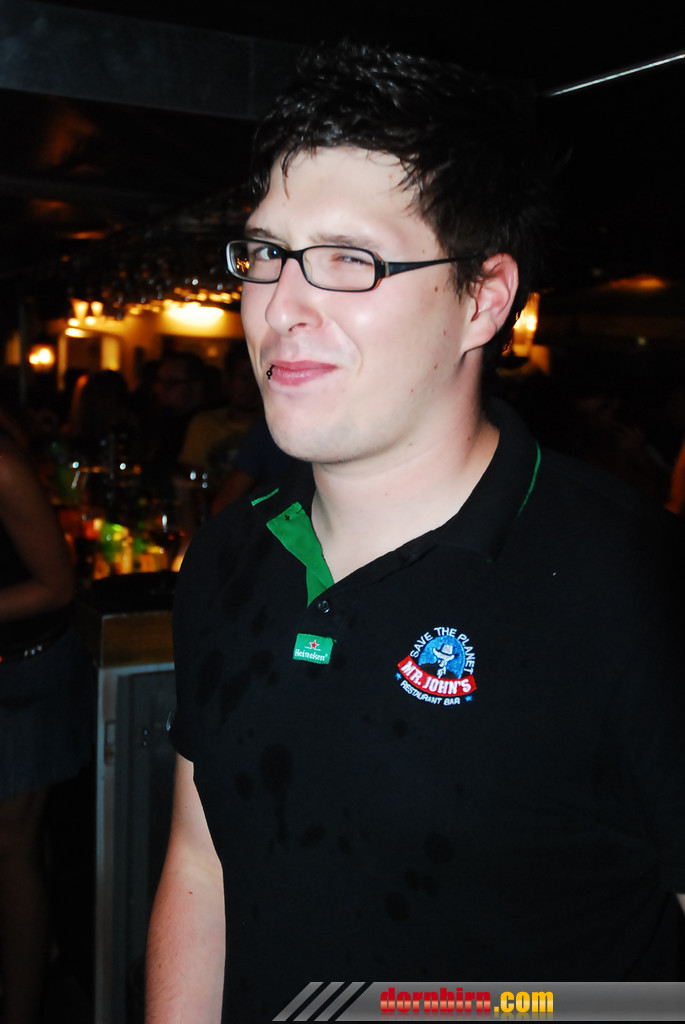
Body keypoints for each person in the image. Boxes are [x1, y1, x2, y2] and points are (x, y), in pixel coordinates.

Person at [146, 42, 685, 1022]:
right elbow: (201, 860)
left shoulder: (632, 581)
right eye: (266, 253)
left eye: (349, 260)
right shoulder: (227, 553)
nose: (282, 307)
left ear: (483, 298)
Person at [0, 414, 93, 1024]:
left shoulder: (2, 466)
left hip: (25, 668)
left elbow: (58, 586)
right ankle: (37, 954)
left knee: (10, 845)